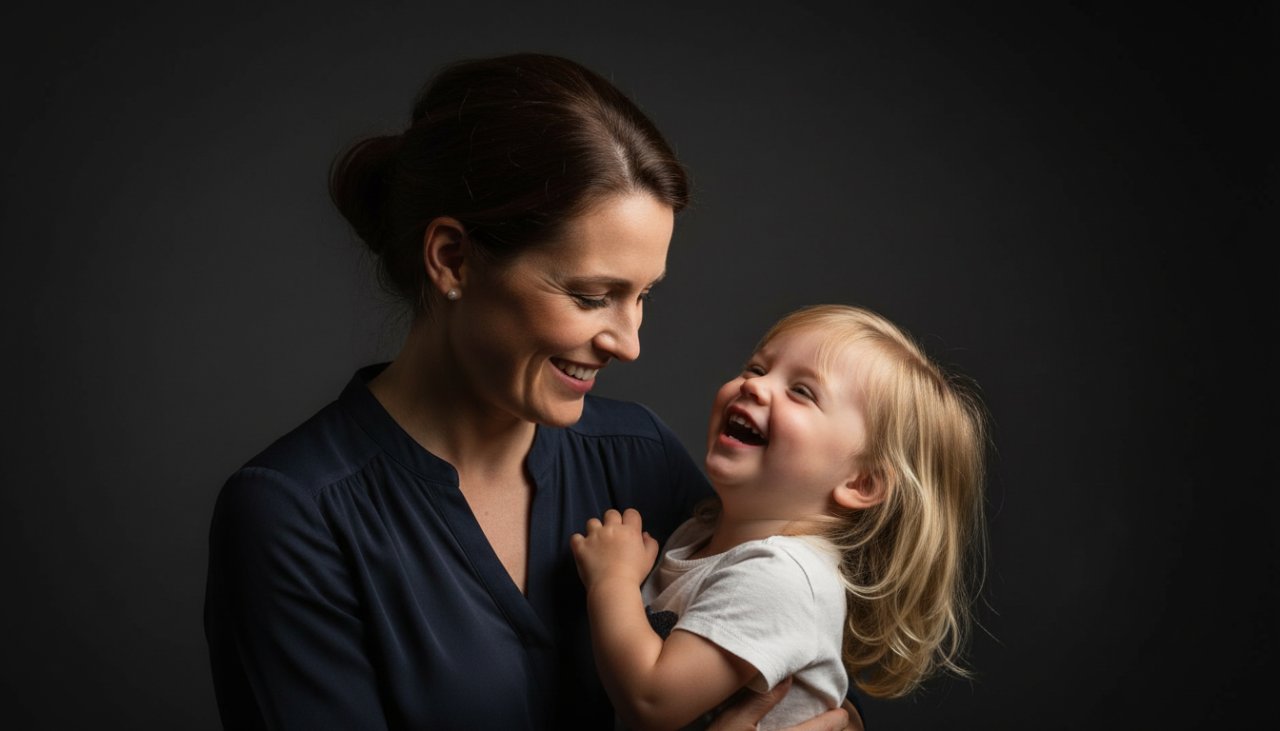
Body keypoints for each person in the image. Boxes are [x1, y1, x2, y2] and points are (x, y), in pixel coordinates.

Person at [203, 53, 854, 730]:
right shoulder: (293, 515)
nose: (628, 342)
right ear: (453, 259)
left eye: (643, 296)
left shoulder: (639, 455)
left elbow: (790, 645)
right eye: (592, 295)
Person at [571, 304, 990, 731]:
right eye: (755, 368)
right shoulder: (701, 533)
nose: (753, 387)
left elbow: (651, 700)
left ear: (861, 483)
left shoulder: (782, 577)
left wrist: (613, 581)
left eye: (802, 391)